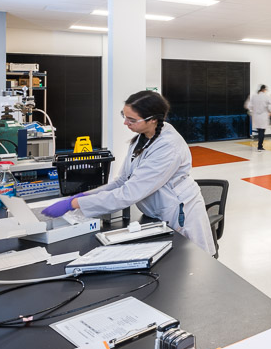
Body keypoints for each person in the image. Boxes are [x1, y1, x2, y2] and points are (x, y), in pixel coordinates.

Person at [41, 91, 216, 256]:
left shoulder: (168, 146)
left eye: (132, 119)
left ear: (153, 120)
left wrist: (75, 203)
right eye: (124, 116)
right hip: (156, 212)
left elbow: (128, 193)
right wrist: (85, 195)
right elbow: (122, 181)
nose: (126, 123)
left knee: (188, 266)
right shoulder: (142, 137)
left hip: (178, 214)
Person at [245, 84, 271, 152]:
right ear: (264, 89)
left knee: (259, 131)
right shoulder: (267, 97)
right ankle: (260, 146)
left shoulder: (254, 97)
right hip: (263, 116)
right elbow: (270, 107)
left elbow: (249, 106)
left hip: (256, 117)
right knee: (262, 132)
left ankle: (260, 145)